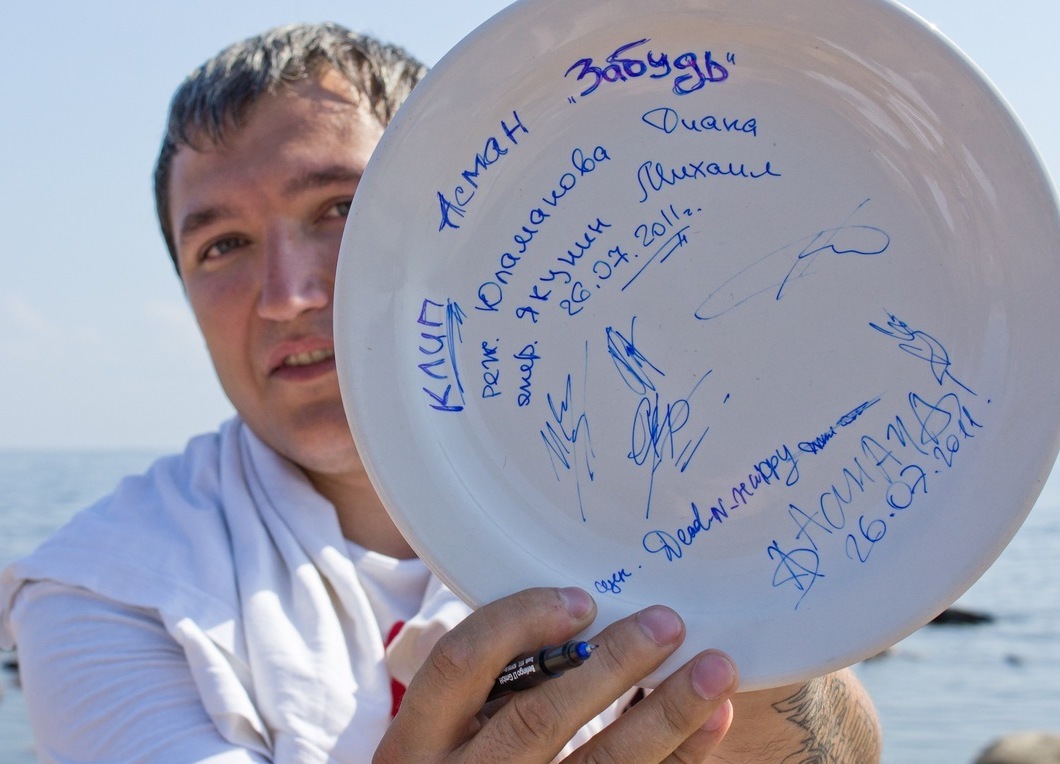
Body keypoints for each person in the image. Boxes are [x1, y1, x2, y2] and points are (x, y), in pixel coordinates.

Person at [0, 22, 881, 762]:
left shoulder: (642, 464)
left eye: (338, 208)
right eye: (221, 246)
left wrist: (741, 583)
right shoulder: (104, 588)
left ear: (467, 222)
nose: (286, 295)